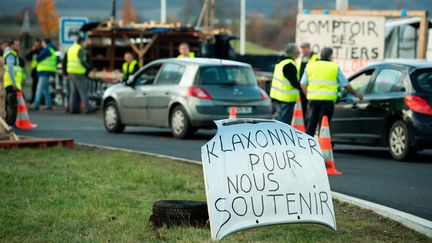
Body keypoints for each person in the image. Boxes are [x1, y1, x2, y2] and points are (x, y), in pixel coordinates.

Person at [300, 47, 363, 136]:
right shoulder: (334, 67)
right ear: (330, 56)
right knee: (324, 126)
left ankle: (307, 147)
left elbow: (302, 84)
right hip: (327, 102)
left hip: (313, 100)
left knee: (311, 124)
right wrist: (356, 94)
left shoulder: (310, 66)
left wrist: (307, 95)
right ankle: (322, 147)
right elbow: (346, 85)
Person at [63, 36, 97, 114]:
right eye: (84, 42)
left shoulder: (71, 48)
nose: (85, 43)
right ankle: (87, 108)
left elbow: (65, 61)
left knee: (74, 91)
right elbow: (83, 61)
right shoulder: (80, 49)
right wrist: (89, 69)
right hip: (78, 73)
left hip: (71, 72)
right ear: (81, 42)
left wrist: (65, 72)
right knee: (83, 91)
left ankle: (73, 109)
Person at [269, 43, 301, 124]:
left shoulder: (280, 62)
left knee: (279, 120)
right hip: (286, 98)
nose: (299, 53)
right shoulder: (289, 64)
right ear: (294, 53)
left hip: (278, 96)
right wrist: (302, 88)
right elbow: (294, 82)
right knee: (284, 122)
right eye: (298, 51)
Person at [31, 38, 57, 110]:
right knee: (45, 89)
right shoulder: (52, 49)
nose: (41, 44)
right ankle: (49, 104)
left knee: (39, 88)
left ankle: (36, 104)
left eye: (42, 43)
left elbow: (38, 58)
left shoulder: (47, 49)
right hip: (48, 71)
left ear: (44, 42)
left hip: (44, 72)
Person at [2, 39, 23, 125]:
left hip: (10, 82)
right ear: (11, 46)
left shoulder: (12, 54)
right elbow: (10, 69)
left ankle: (9, 122)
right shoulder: (11, 55)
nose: (18, 46)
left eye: (19, 45)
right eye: (16, 45)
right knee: (12, 105)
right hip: (11, 83)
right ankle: (10, 124)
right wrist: (14, 82)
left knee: (10, 104)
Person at [297, 42, 318, 115]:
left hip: (311, 87)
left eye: (305, 48)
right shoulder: (300, 59)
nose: (303, 50)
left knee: (311, 110)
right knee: (302, 109)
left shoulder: (316, 58)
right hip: (302, 87)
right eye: (302, 48)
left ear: (309, 48)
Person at [25, 38, 42, 103]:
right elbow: (27, 58)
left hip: (40, 70)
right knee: (34, 86)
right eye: (35, 44)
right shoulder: (33, 51)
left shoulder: (42, 50)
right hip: (34, 71)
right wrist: (32, 51)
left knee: (39, 87)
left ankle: (38, 100)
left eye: (37, 44)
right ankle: (33, 99)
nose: (36, 45)